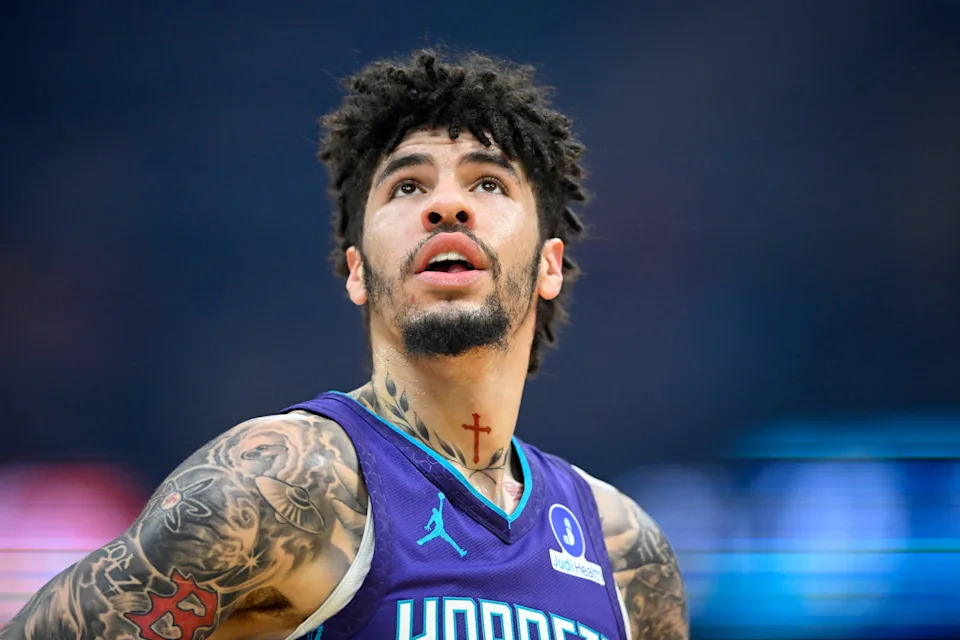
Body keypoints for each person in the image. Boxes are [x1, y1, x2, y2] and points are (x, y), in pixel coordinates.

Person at [0, 50, 688, 640]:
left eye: (488, 182)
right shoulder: (283, 485)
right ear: (358, 270)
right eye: (408, 185)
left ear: (548, 266)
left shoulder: (626, 552)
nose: (447, 206)